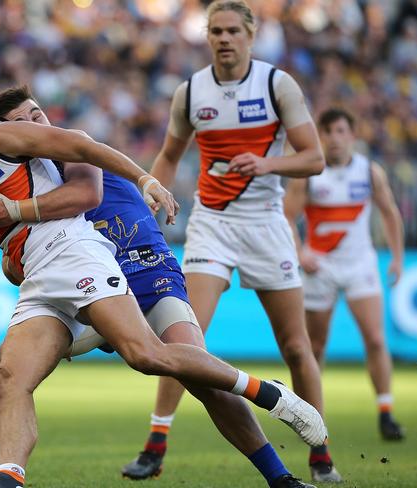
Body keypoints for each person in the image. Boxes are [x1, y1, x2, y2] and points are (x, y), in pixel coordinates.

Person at [0, 86, 326, 488]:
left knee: (149, 357)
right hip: (47, 281)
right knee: (10, 374)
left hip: (100, 260)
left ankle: (269, 397)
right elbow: (14, 255)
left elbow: (84, 165)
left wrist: (145, 178)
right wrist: (9, 258)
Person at [121, 0, 339, 483]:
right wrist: (148, 201)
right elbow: (169, 155)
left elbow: (314, 158)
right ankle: (155, 443)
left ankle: (320, 453)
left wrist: (267, 164)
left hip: (266, 223)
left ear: (250, 35)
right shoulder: (190, 91)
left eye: (231, 31)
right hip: (212, 223)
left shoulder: (277, 84)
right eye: (215, 30)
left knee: (297, 348)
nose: (223, 38)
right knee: (186, 337)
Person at [285, 108, 406, 441]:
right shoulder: (310, 172)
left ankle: (386, 412)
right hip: (319, 267)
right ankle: (312, 417)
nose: (334, 138)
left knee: (377, 339)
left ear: (352, 135)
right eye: (328, 132)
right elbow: (286, 216)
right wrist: (300, 251)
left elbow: (390, 213)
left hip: (359, 265)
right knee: (315, 345)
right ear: (320, 136)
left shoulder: (369, 171)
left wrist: (397, 258)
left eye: (340, 131)